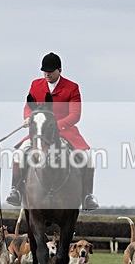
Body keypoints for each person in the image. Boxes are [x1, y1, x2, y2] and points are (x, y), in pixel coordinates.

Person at [6, 52, 99, 210]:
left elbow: (75, 115)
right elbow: (28, 106)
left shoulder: (72, 87)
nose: (47, 74)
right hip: (39, 132)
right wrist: (29, 118)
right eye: (44, 71)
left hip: (65, 132)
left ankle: (87, 196)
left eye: (50, 71)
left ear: (59, 70)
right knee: (19, 154)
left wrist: (56, 125)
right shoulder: (36, 85)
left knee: (88, 158)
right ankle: (15, 191)